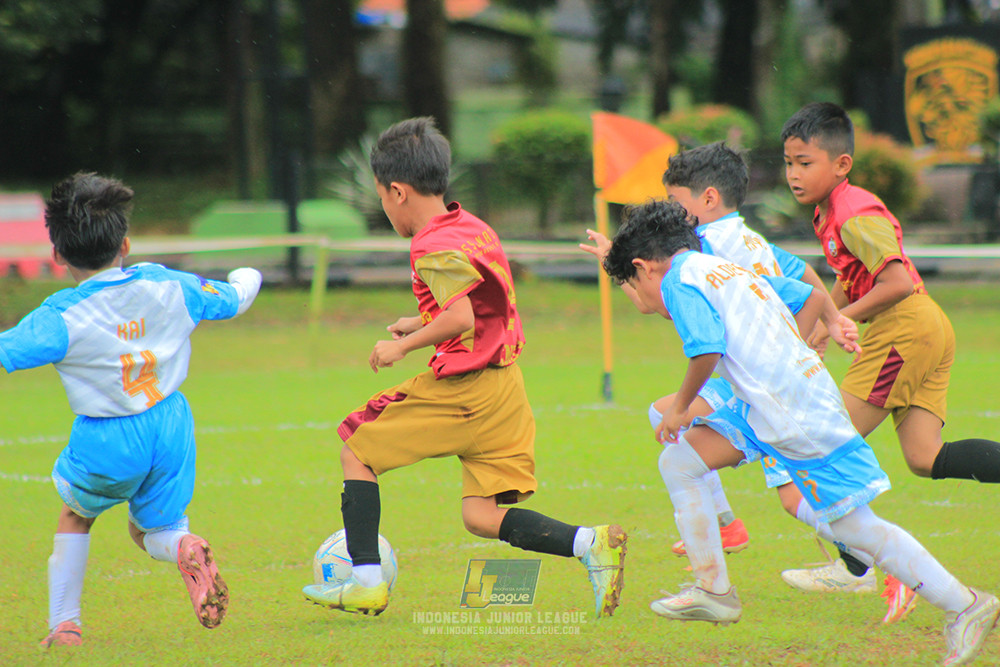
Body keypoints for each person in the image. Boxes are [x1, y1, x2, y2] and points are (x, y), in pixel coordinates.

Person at [601, 198, 998, 666]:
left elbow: (705, 349)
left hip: (795, 413)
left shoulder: (680, 280)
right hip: (771, 407)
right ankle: (714, 589)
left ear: (646, 268)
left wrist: (681, 408)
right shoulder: (720, 270)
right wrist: (807, 342)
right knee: (681, 460)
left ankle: (966, 605)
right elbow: (809, 295)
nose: (637, 298)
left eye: (629, 284)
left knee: (855, 527)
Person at [301, 117, 626, 619]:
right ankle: (591, 544)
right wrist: (418, 320)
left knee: (355, 450)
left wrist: (401, 350)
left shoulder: (429, 243)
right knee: (480, 516)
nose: (384, 208)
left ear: (397, 191)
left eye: (382, 199)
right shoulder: (471, 226)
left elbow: (460, 315)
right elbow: (479, 301)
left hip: (465, 389)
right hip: (506, 388)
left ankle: (365, 581)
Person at [0, 173, 262, 647]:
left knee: (76, 517)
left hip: (108, 436)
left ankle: (65, 627)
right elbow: (234, 298)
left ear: (57, 255)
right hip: (171, 424)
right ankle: (183, 546)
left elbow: (7, 350)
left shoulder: (60, 316)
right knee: (153, 531)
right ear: (125, 244)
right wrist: (250, 277)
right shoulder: (166, 284)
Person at [777, 101, 1000, 604]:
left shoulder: (854, 211)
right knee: (924, 457)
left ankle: (858, 568)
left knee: (821, 444)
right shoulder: (830, 210)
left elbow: (896, 281)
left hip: (904, 328)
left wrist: (840, 318)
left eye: (804, 163)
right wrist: (820, 319)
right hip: (924, 326)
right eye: (788, 162)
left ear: (841, 165)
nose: (793, 174)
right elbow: (849, 274)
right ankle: (868, 563)